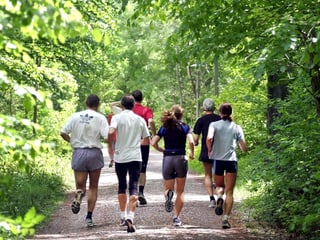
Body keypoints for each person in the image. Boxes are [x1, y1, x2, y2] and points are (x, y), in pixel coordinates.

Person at [60, 94, 112, 227]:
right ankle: (89, 217)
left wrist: (72, 141)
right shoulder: (100, 117)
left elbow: (63, 132)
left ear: (86, 102)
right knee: (93, 187)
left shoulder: (75, 116)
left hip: (79, 152)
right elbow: (107, 136)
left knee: (80, 186)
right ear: (98, 104)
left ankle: (78, 195)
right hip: (94, 153)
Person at [108, 94, 150, 233]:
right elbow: (146, 139)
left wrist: (109, 137)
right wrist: (137, 143)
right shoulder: (139, 119)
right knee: (133, 186)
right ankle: (131, 216)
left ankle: (122, 216)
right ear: (134, 105)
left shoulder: (116, 117)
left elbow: (112, 131)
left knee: (121, 185)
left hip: (120, 156)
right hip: (135, 156)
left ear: (122, 105)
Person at [151, 104, 194, 227]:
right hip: (181, 158)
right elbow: (191, 141)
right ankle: (176, 217)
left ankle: (168, 196)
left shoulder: (165, 127)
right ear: (182, 115)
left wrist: (161, 150)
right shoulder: (185, 127)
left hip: (168, 159)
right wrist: (191, 152)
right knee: (180, 191)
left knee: (168, 188)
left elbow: (153, 142)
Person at [206, 103, 247, 229]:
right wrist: (245, 150)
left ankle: (219, 197)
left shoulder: (214, 125)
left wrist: (209, 150)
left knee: (219, 186)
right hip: (231, 160)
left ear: (220, 113)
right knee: (229, 191)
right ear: (231, 113)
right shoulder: (236, 127)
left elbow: (209, 138)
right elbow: (243, 147)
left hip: (218, 159)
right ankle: (225, 219)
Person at [193, 98, 221, 208]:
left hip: (206, 150)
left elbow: (195, 138)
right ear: (214, 108)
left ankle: (212, 199)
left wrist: (195, 143)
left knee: (208, 175)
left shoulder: (201, 120)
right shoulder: (219, 119)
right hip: (219, 150)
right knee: (218, 174)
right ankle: (219, 196)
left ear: (204, 108)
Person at [131, 90, 157, 206]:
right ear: (142, 98)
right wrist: (154, 133)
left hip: (130, 142)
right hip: (143, 142)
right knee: (143, 169)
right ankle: (141, 192)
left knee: (132, 168)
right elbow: (151, 121)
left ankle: (133, 194)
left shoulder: (128, 110)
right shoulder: (146, 110)